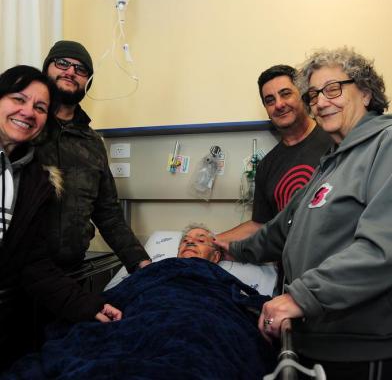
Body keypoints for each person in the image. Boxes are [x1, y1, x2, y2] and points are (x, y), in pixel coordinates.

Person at [218, 47, 392, 380]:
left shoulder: (384, 145)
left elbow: (382, 250)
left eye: (333, 89)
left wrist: (300, 296)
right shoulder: (330, 164)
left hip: (363, 347)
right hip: (316, 337)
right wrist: (228, 247)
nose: (322, 102)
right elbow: (280, 230)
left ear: (367, 93)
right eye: (314, 94)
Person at [2, 224, 277, 380]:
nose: (190, 242)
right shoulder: (158, 267)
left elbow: (238, 308)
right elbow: (122, 293)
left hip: (201, 318)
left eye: (201, 239)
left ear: (216, 255)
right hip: (143, 313)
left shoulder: (217, 275)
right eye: (186, 240)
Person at [0, 65, 122, 372]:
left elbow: (33, 265)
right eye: (18, 99)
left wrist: (89, 305)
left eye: (40, 107)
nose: (28, 112)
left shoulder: (33, 181)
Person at [35, 40, 150, 272]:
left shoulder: (92, 144)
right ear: (46, 68)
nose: (70, 72)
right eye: (62, 63)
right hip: (18, 275)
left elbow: (108, 214)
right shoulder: (26, 127)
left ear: (88, 82)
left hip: (70, 273)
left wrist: (141, 263)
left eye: (81, 69)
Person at [217, 65, 331, 242]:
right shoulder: (266, 166)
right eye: (270, 100)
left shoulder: (335, 139)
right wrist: (211, 241)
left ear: (303, 95)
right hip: (292, 266)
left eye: (285, 94)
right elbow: (260, 226)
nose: (279, 104)